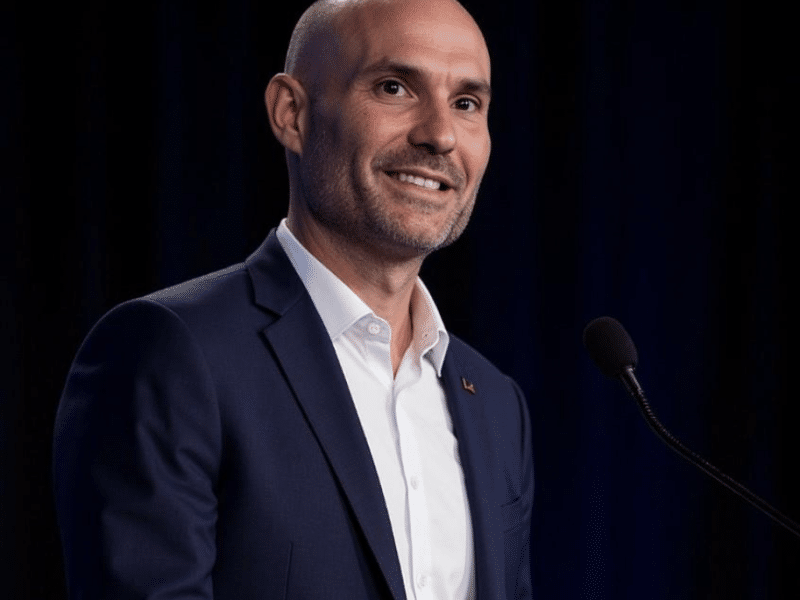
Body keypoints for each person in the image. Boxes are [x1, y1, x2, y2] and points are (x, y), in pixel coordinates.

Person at [52, 0, 533, 598]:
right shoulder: (168, 354)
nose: (439, 134)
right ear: (292, 114)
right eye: (394, 87)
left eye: (466, 103)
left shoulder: (496, 403)